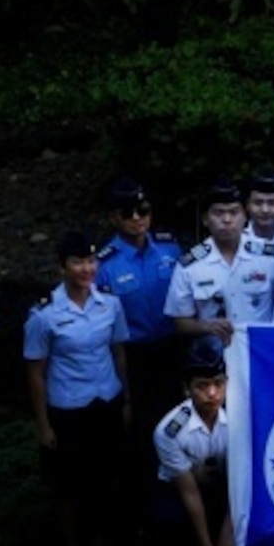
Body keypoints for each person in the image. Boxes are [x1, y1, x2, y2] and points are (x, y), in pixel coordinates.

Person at [25, 232, 130, 546]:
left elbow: (118, 351)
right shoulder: (43, 315)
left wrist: (125, 399)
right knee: (70, 488)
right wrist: (43, 425)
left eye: (91, 261)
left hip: (106, 402)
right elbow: (36, 373)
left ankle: (100, 545)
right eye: (78, 262)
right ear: (62, 267)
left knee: (105, 481)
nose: (87, 269)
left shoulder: (109, 304)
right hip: (68, 410)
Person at [149, 338, 231, 546]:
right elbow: (189, 492)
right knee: (175, 523)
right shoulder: (170, 431)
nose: (212, 394)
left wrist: (230, 526)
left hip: (222, 484)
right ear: (187, 389)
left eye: (219, 383)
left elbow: (242, 480)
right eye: (202, 386)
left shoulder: (240, 417)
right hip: (181, 488)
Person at [97, 178, 181, 424]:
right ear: (114, 218)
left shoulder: (170, 248)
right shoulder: (105, 264)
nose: (136, 218)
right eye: (127, 213)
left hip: (172, 348)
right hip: (134, 356)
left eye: (143, 211)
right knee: (142, 421)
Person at [166, 178, 274, 343]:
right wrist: (206, 327)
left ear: (245, 217)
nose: (227, 220)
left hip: (261, 350)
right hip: (214, 354)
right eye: (218, 213)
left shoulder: (270, 257)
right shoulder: (190, 265)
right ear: (205, 219)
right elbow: (180, 321)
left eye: (234, 212)